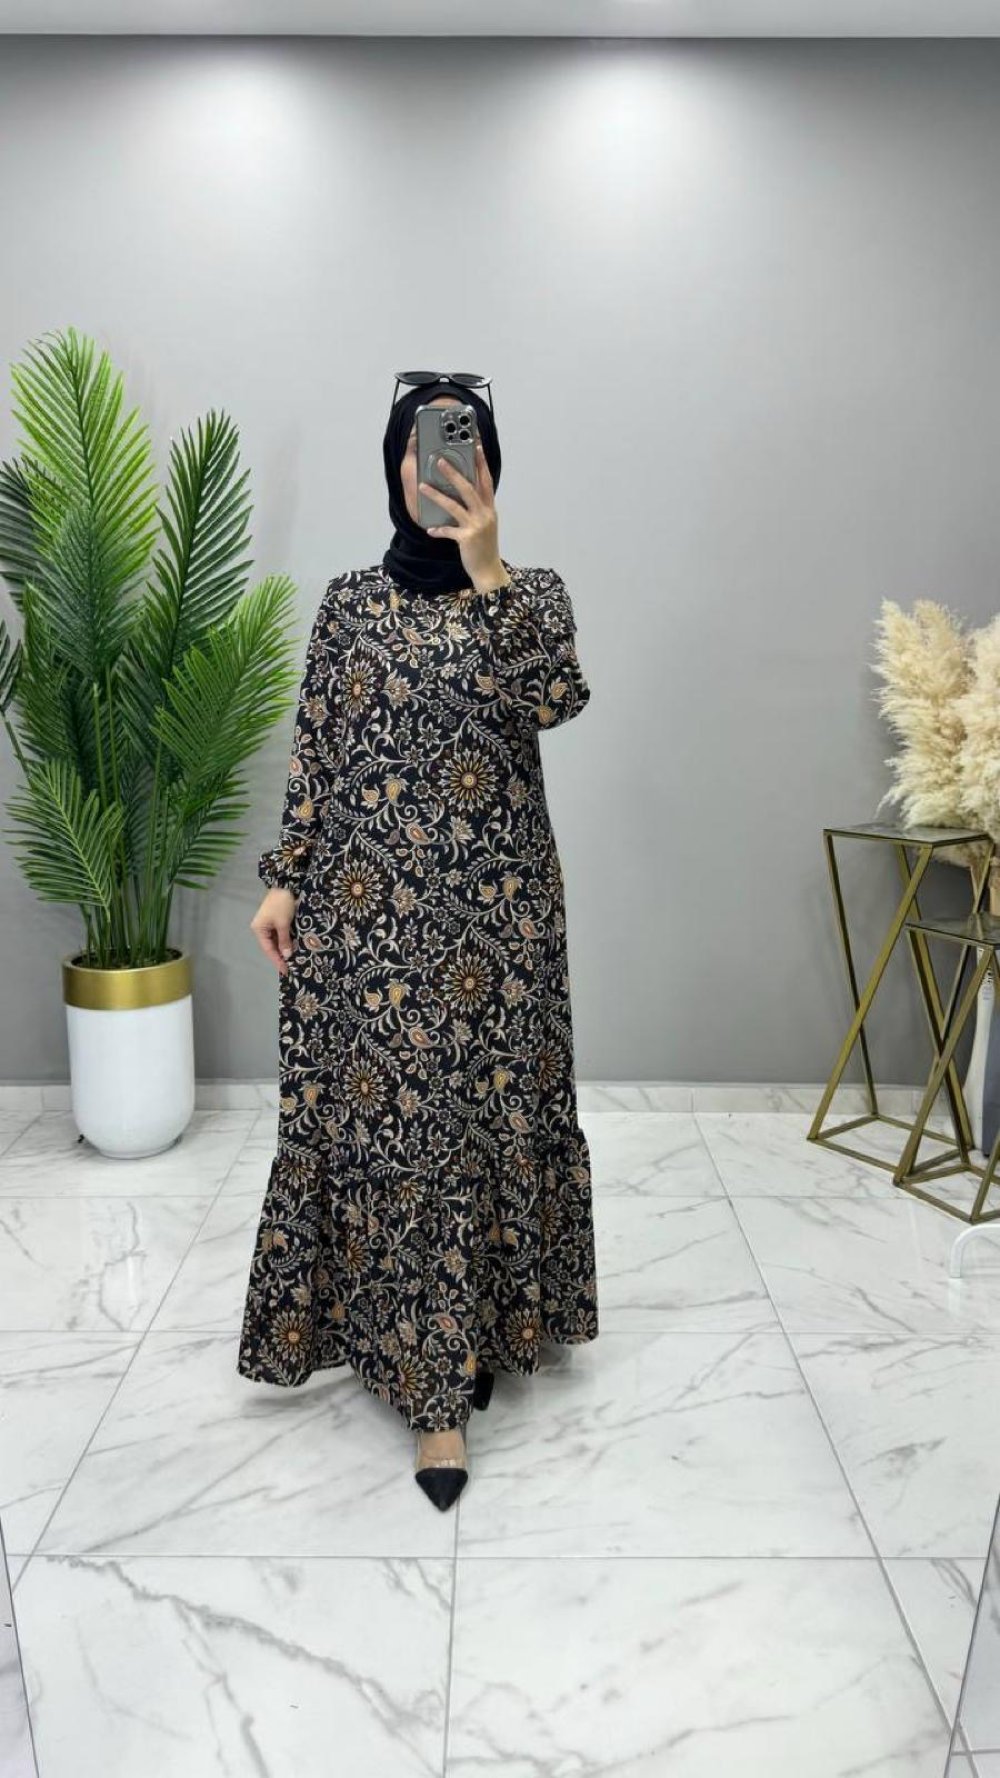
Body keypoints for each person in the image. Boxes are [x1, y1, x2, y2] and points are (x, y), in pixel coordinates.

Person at [239, 373, 598, 1510]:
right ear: (394, 464)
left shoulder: (530, 593)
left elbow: (556, 699)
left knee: (482, 1120)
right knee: (398, 1136)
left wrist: (488, 569)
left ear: (489, 466)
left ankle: (480, 1337)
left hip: (499, 922)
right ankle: (433, 1397)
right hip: (366, 921)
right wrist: (285, 876)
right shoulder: (348, 603)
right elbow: (317, 746)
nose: (437, 467)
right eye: (420, 447)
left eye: (461, 446)